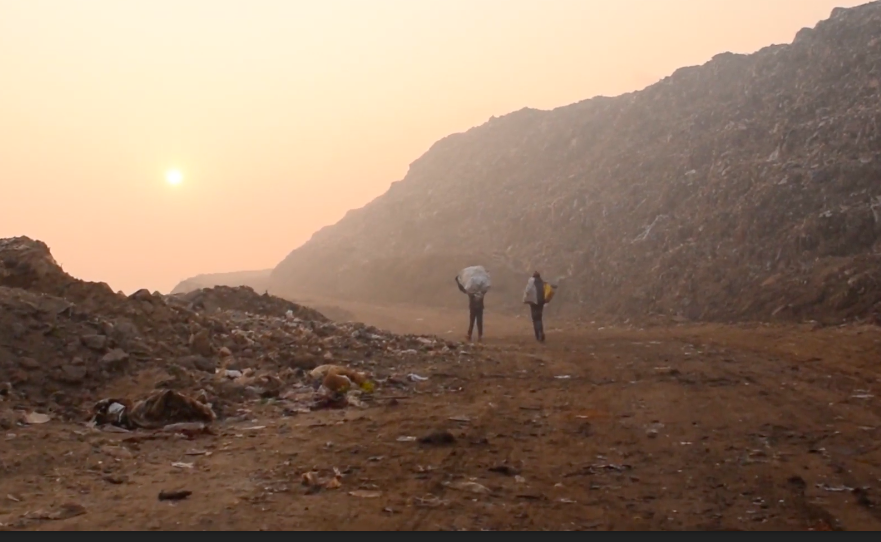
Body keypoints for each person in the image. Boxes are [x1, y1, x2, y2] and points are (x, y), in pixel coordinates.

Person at [455, 276, 484, 342]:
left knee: (472, 321)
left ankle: (470, 335)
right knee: (479, 322)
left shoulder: (471, 292)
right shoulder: (481, 291)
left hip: (473, 308)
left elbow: (463, 289)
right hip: (479, 308)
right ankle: (479, 336)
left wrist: (458, 282)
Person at [524, 271, 546, 343]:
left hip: (533, 302)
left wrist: (525, 298)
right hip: (541, 302)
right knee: (539, 318)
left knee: (535, 318)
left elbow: (527, 289)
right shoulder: (542, 282)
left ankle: (538, 335)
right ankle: (541, 332)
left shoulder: (531, 280)